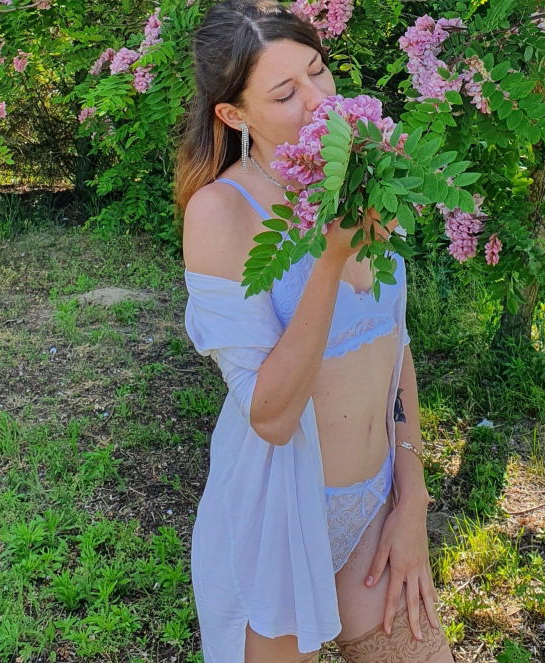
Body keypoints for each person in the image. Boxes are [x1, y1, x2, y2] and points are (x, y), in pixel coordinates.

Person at [174, 1, 454, 661]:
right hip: (275, 521)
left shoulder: (365, 175)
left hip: (374, 507)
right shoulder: (222, 214)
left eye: (318, 70)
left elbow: (394, 346)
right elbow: (271, 416)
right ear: (234, 115)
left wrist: (412, 495)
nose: (320, 100)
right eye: (284, 93)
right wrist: (329, 260)